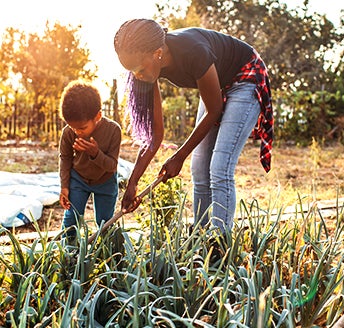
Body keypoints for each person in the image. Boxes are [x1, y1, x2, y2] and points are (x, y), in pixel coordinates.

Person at [113, 19, 273, 233]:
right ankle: (200, 238)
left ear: (158, 53)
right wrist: (133, 183)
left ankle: (219, 244)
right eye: (131, 70)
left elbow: (214, 110)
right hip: (216, 84)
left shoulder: (193, 50)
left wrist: (178, 156)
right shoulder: (146, 71)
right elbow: (154, 137)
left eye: (139, 69)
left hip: (245, 76)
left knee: (219, 168)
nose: (137, 76)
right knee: (198, 169)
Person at [58, 80, 122, 238]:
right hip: (79, 179)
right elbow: (65, 158)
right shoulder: (69, 132)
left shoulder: (113, 131)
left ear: (98, 116)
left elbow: (112, 166)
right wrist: (64, 186)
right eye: (72, 127)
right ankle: (68, 253)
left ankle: (106, 255)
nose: (77, 132)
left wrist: (95, 153)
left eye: (82, 128)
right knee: (71, 219)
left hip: (105, 180)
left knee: (104, 223)